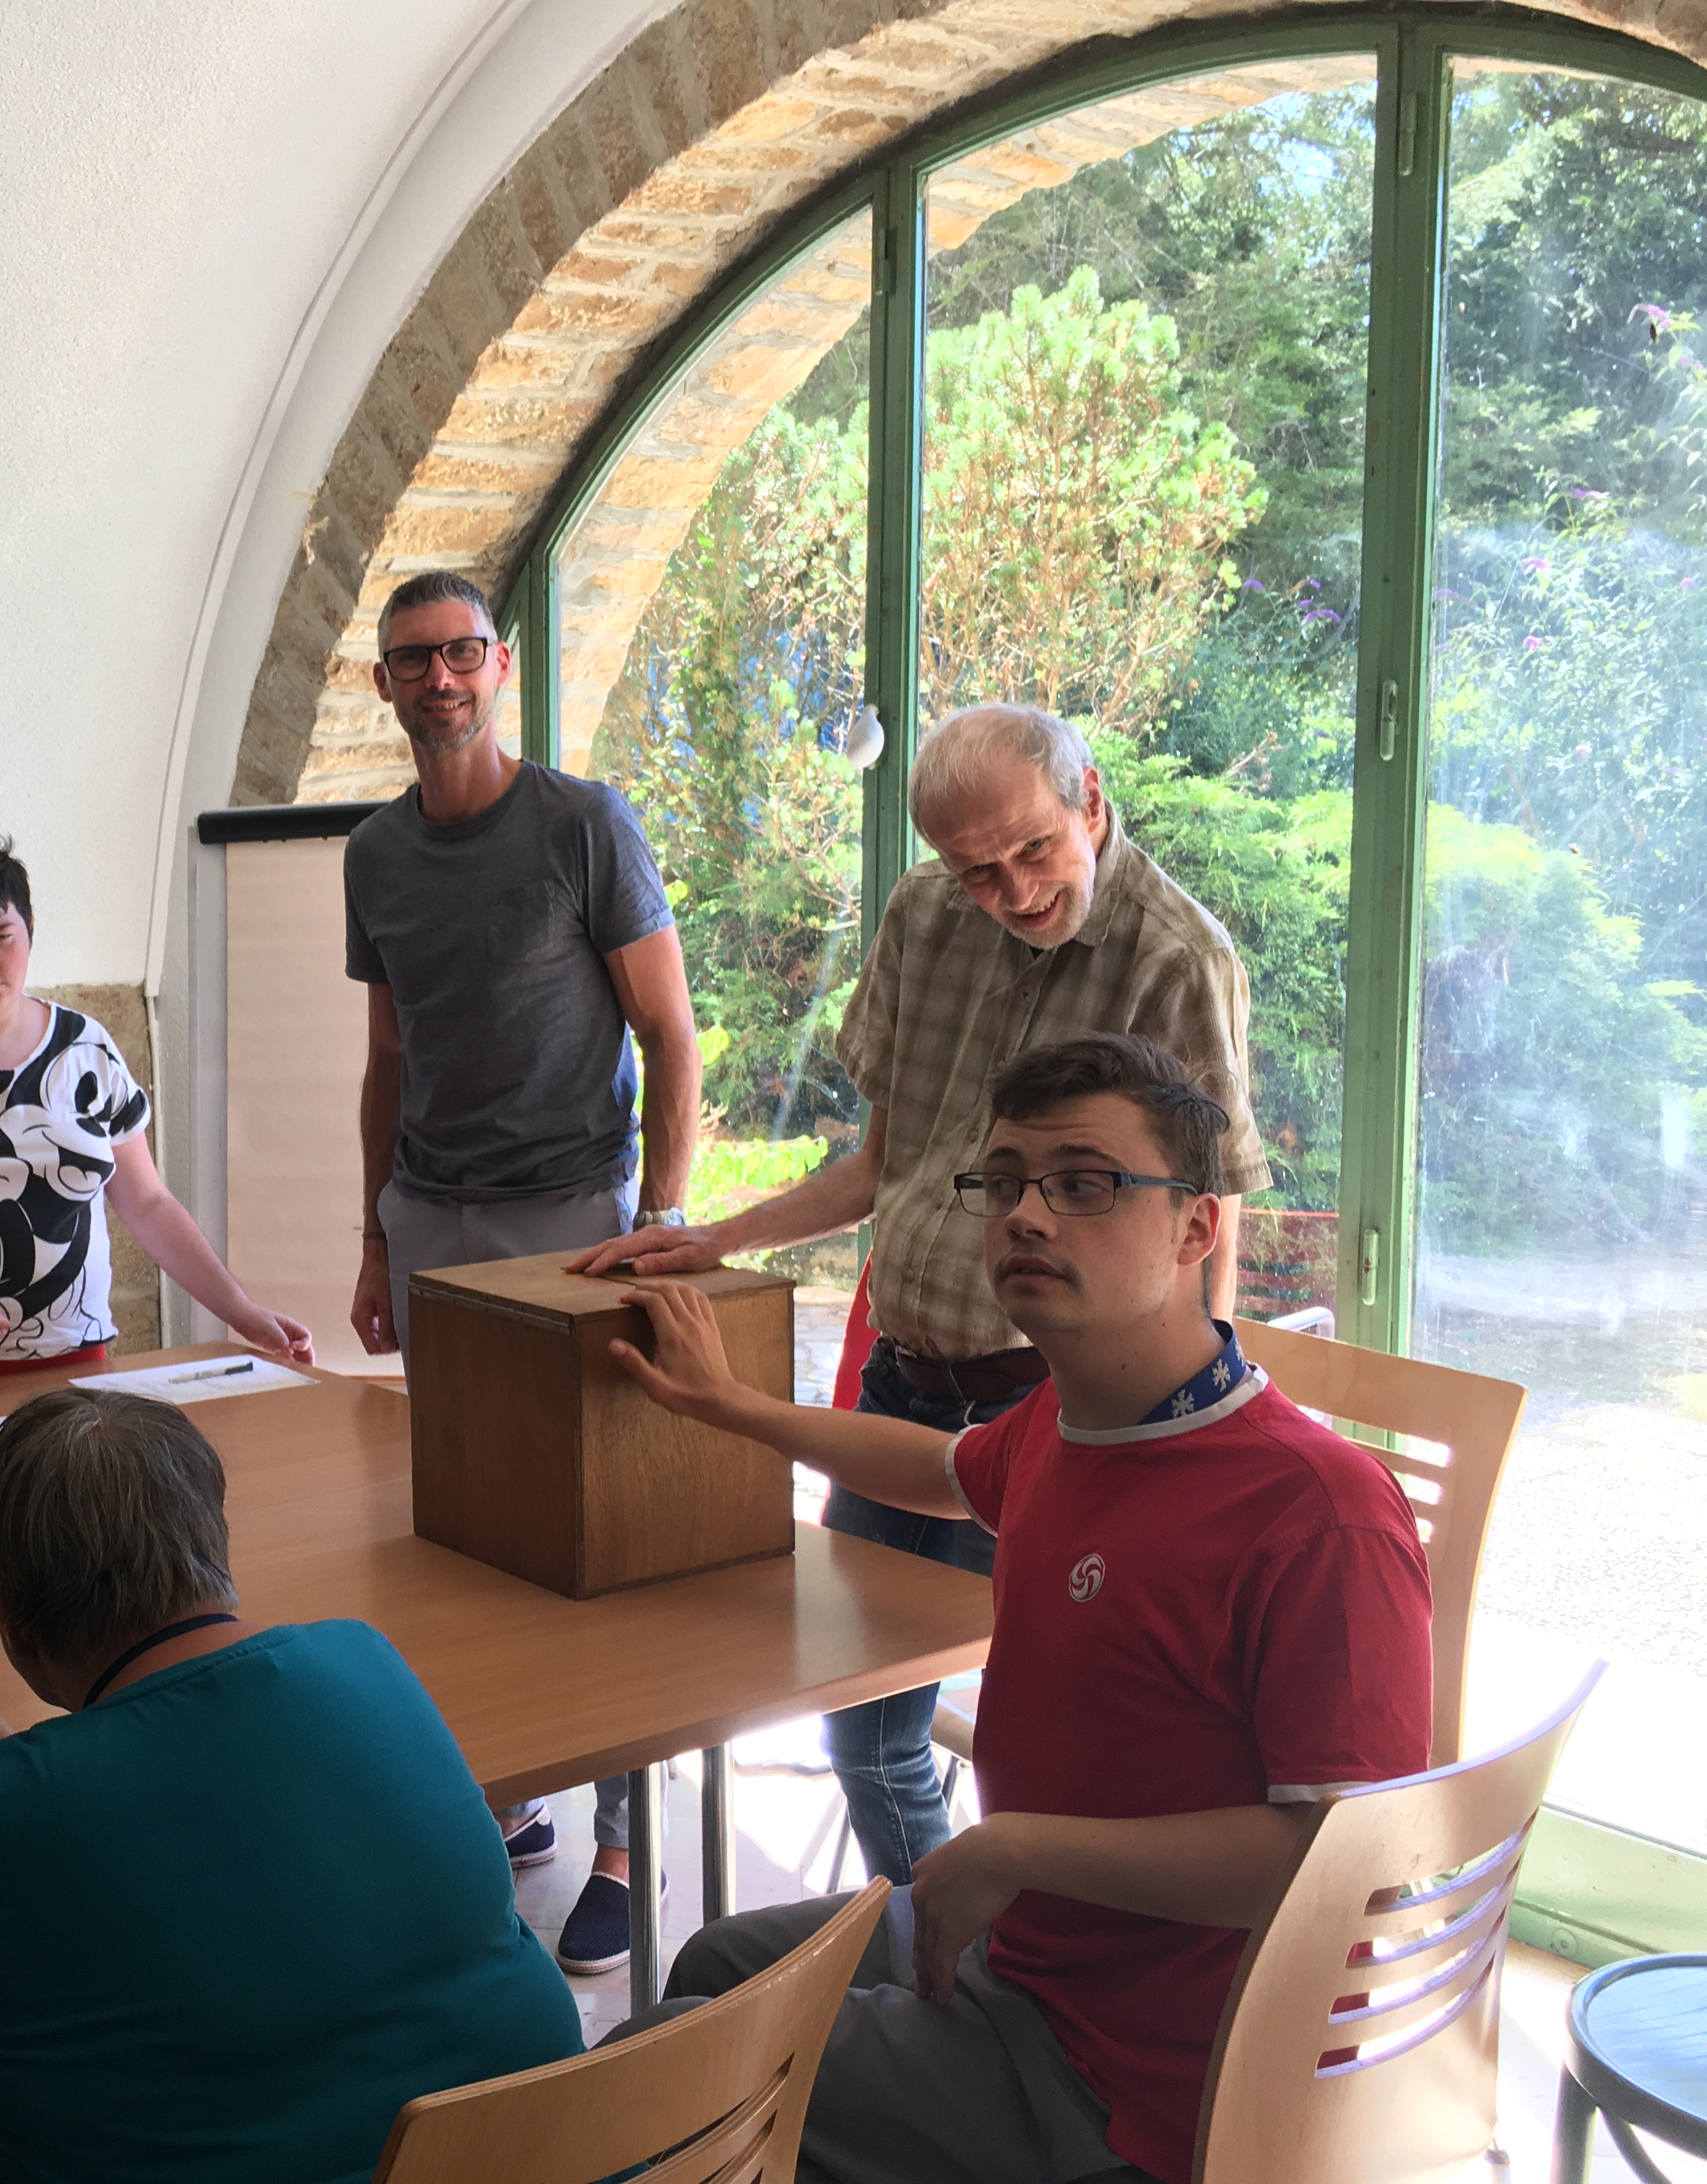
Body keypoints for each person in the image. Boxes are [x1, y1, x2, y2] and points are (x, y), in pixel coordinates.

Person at [606, 1034, 1429, 2184]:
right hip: (1031, 1951)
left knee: (653, 2079)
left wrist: (1016, 1851)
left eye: (1084, 1184)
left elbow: (1347, 1862)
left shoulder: (1319, 1512)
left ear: (1197, 1228)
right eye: (1004, 1184)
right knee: (713, 1964)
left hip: (1137, 2082)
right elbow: (939, 1469)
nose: (1027, 1216)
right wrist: (729, 1406)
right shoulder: (1067, 1422)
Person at [572, 702, 1274, 1888]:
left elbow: (1206, 1223)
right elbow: (881, 1164)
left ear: (1090, 801)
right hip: (905, 1383)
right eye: (976, 870)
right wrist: (718, 1237)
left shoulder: (1176, 959)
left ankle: (971, 1946)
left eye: (1034, 850)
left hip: (1059, 1410)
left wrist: (1192, 1426)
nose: (1014, 892)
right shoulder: (924, 913)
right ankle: (946, 1940)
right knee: (860, 1723)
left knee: (1052, 1737)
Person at [0, 1386, 578, 2184]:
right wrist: (9, 1779)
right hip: (562, 2155)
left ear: (0, 1606)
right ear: (214, 1533)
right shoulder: (364, 1660)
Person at [343, 568, 703, 1973]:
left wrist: (662, 1218)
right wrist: (374, 1233)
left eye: (460, 652)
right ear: (383, 683)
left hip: (572, 1214)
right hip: (431, 1218)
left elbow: (668, 1032)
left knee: (596, 1525)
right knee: (468, 1527)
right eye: (411, 659)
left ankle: (619, 1837)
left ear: (498, 666)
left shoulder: (582, 822)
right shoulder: (375, 854)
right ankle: (506, 1790)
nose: (438, 678)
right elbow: (387, 1057)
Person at [0, 831, 310, 1398]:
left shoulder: (86, 1048)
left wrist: (240, 1309)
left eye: (2, 937)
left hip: (67, 1351)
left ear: (30, 928)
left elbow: (148, 1203)